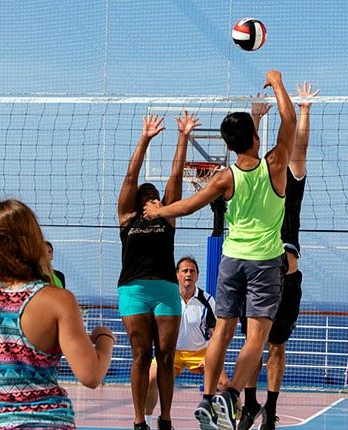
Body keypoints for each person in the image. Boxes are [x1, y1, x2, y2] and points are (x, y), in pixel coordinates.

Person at [143, 69, 297, 430]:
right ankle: (230, 396)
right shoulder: (275, 165)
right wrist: (276, 82)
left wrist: (159, 210)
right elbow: (289, 119)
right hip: (264, 263)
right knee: (256, 337)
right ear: (257, 138)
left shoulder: (226, 177)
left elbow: (189, 205)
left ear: (228, 146)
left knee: (223, 330)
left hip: (232, 260)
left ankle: (209, 398)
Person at [0, 199, 114, 429]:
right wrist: (105, 340)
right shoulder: (59, 300)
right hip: (48, 422)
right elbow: (91, 376)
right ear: (34, 242)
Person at [237, 82, 318, 430]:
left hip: (286, 277)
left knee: (277, 348)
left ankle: (269, 409)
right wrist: (255, 119)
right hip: (255, 273)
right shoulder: (256, 183)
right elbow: (246, 159)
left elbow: (299, 147)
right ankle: (249, 405)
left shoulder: (293, 182)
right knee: (253, 345)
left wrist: (304, 111)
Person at [118, 111, 201, 430]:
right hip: (134, 289)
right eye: (146, 197)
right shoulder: (128, 220)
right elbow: (129, 178)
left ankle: (165, 418)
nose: (150, 200)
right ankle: (139, 420)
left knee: (166, 357)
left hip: (166, 290)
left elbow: (176, 177)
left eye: (154, 198)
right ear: (138, 203)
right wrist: (145, 138)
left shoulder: (167, 218)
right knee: (140, 356)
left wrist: (183, 136)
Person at [144, 257, 230, 419]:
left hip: (201, 351)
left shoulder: (207, 300)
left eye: (192, 271)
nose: (188, 274)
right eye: (184, 271)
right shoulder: (167, 298)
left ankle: (240, 419)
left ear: (197, 276)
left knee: (224, 383)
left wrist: (210, 357)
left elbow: (217, 334)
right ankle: (147, 421)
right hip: (172, 351)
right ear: (177, 275)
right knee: (150, 379)